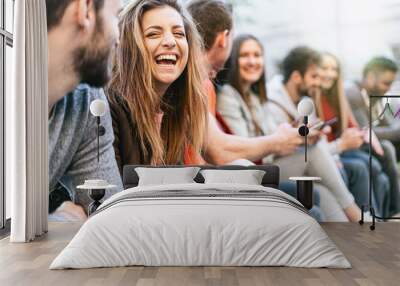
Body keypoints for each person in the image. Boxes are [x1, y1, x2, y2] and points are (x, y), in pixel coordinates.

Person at [216, 36, 360, 222]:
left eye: (257, 55)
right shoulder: (229, 96)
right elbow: (246, 151)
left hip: (270, 164)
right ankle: (355, 214)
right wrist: (281, 141)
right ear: (233, 58)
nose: (252, 61)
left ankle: (351, 239)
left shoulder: (254, 96)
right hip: (253, 173)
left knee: (321, 191)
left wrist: (291, 136)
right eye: (245, 55)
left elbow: (271, 139)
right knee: (314, 154)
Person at [46, 0, 123, 220]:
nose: (119, 37)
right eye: (116, 16)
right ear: (85, 9)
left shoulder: (87, 102)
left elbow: (109, 217)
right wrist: (49, 218)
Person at [316, 52, 396, 217]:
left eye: (334, 69)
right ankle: (377, 218)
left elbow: (357, 127)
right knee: (365, 164)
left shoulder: (337, 95)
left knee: (377, 169)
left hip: (343, 147)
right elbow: (363, 128)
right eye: (325, 68)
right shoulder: (351, 92)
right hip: (334, 150)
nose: (330, 73)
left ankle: (383, 216)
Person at [345, 56, 400, 217]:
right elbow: (365, 133)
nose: (388, 88)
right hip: (354, 143)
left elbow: (388, 124)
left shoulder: (377, 93)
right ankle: (395, 211)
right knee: (387, 147)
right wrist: (396, 131)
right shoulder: (352, 93)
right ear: (370, 77)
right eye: (386, 83)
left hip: (370, 141)